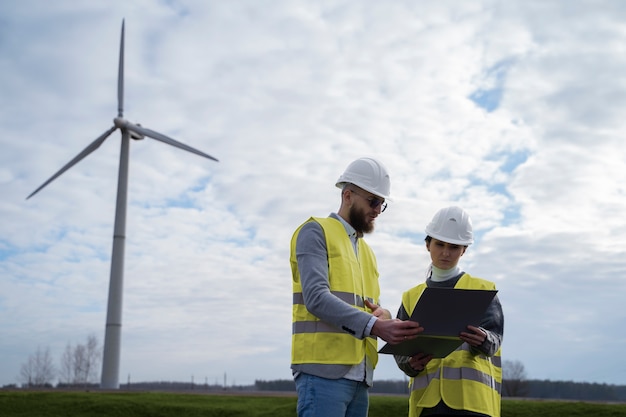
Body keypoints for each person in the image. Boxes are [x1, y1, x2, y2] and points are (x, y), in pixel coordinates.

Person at [290, 157, 424, 417]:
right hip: (322, 374)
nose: (377, 210)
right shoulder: (315, 232)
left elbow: (369, 309)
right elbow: (316, 298)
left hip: (361, 377)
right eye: (372, 201)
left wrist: (383, 316)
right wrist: (376, 326)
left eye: (382, 204)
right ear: (348, 195)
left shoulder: (367, 253)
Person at [394, 206, 504, 417]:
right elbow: (400, 349)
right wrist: (410, 364)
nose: (445, 252)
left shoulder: (483, 290)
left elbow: (495, 339)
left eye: (453, 247)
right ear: (428, 245)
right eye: (440, 244)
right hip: (428, 404)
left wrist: (482, 339)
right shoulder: (411, 297)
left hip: (472, 403)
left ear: (464, 250)